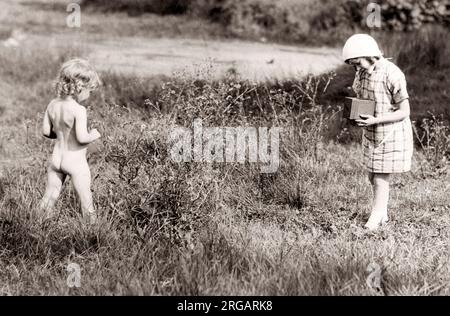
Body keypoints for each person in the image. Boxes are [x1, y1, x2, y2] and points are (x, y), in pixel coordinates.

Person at [342, 34, 413, 230]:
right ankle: (383, 213)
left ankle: (376, 215)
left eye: (358, 63)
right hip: (372, 133)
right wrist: (357, 113)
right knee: (372, 176)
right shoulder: (362, 73)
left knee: (381, 177)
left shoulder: (393, 74)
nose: (357, 69)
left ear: (371, 55)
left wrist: (376, 120)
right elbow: (364, 98)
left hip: (390, 132)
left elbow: (404, 112)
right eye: (353, 66)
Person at [39, 58, 101, 224]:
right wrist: (94, 135)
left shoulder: (52, 104)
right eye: (90, 90)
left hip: (56, 159)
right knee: (86, 198)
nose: (89, 95)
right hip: (74, 160)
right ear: (80, 87)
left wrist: (61, 134)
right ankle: (92, 231)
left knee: (50, 195)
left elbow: (46, 132)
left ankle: (37, 222)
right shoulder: (78, 110)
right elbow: (81, 138)